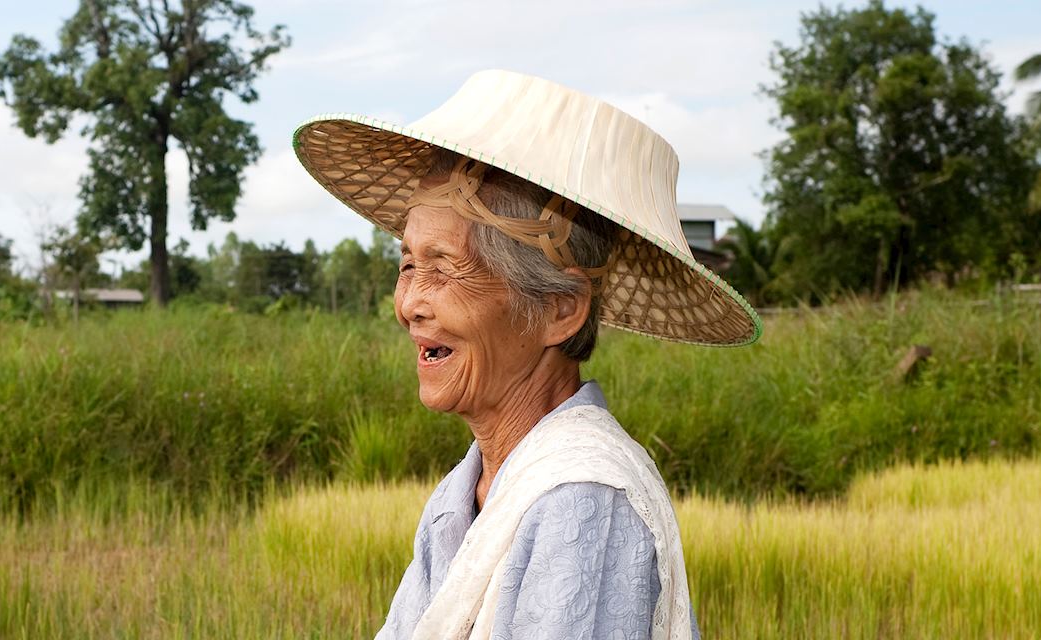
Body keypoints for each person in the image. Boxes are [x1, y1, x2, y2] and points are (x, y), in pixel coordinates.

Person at [291, 70, 760, 640]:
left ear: (560, 309)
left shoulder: (582, 500)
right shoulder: (468, 491)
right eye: (408, 263)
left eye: (444, 267)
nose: (409, 302)